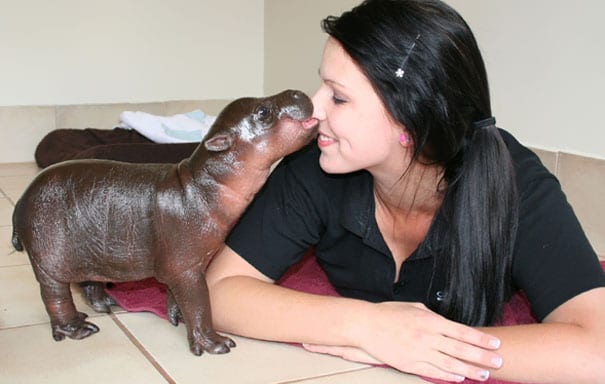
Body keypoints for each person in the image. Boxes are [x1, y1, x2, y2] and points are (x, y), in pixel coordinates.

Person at [205, 0, 605, 382]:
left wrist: (429, 349)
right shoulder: (315, 168)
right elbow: (221, 289)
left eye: (338, 97)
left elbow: (597, 347)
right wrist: (369, 327)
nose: (313, 110)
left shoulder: (515, 183)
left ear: (409, 124)